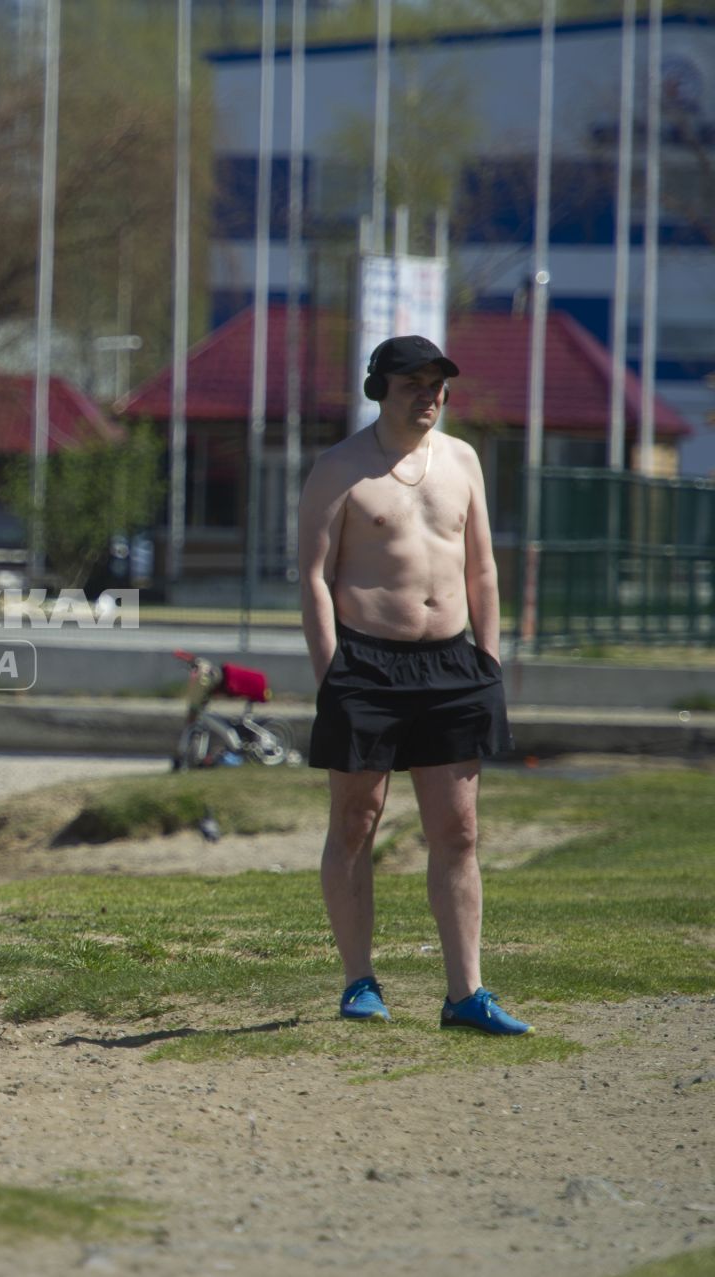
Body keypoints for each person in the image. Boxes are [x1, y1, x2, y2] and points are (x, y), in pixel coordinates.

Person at [297, 334, 530, 1036]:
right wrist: (331, 673)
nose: (428, 396)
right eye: (412, 384)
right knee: (355, 822)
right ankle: (358, 980)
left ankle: (466, 992)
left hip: (452, 666)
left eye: (436, 384)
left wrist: (487, 659)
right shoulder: (339, 468)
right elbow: (312, 575)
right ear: (380, 388)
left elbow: (483, 568)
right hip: (366, 666)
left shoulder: (461, 460)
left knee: (458, 831)